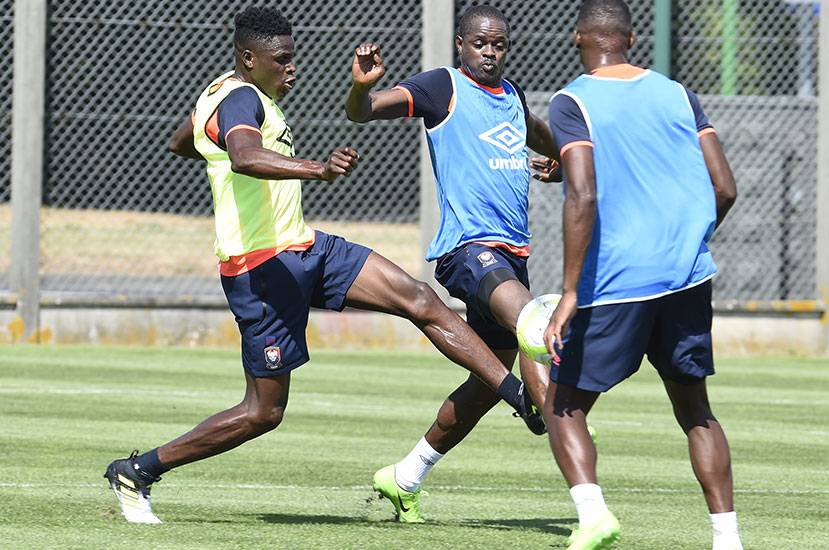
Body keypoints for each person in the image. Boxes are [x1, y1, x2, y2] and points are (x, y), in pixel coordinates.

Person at [103, 6, 536, 525]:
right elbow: (243, 156)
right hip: (261, 270)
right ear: (248, 58)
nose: (292, 68)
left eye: (293, 57)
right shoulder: (242, 97)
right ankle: (139, 469)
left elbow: (184, 141)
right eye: (281, 60)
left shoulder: (226, 94)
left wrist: (214, 149)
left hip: (306, 248)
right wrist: (317, 170)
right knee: (263, 412)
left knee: (419, 299)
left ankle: (517, 395)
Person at [345, 4, 563, 524]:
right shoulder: (442, 87)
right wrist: (360, 87)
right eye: (481, 44)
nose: (491, 52)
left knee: (489, 382)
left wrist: (563, 159)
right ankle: (564, 424)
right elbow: (363, 111)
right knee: (534, 321)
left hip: (512, 254)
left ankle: (405, 476)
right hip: (468, 248)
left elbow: (533, 129)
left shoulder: (511, 94)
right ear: (461, 45)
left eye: (499, 45)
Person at [540, 1, 741, 549]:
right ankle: (728, 539)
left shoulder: (571, 101)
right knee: (695, 409)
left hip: (617, 282)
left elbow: (583, 192)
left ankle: (593, 514)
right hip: (686, 277)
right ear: (631, 38)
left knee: (562, 405)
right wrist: (686, 243)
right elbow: (724, 187)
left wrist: (571, 292)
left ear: (578, 36)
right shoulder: (678, 93)